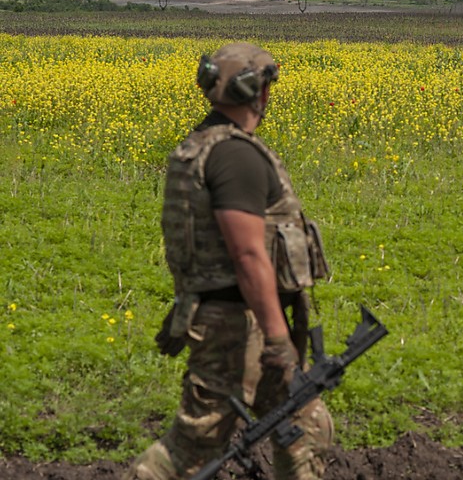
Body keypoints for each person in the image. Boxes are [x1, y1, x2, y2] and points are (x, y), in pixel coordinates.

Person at [124, 42, 332, 480]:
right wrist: (278, 343)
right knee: (189, 452)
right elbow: (247, 253)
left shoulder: (199, 147)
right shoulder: (234, 156)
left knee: (306, 427)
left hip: (236, 317)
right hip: (240, 329)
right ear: (258, 92)